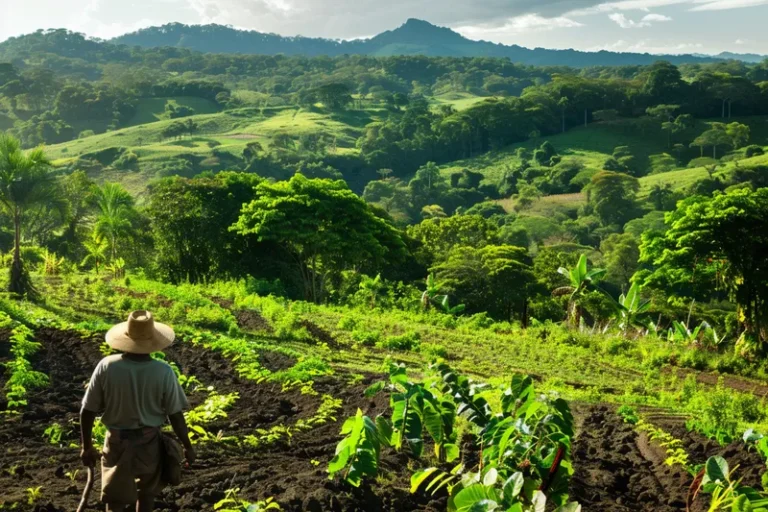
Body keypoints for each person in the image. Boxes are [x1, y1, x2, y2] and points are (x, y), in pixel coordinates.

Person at [80, 310, 196, 512]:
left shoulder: (106, 366)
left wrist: (86, 445)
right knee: (146, 494)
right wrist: (187, 445)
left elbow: (87, 410)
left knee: (114, 498)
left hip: (116, 440)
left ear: (126, 336)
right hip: (148, 441)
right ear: (153, 340)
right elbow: (175, 415)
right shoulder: (163, 371)